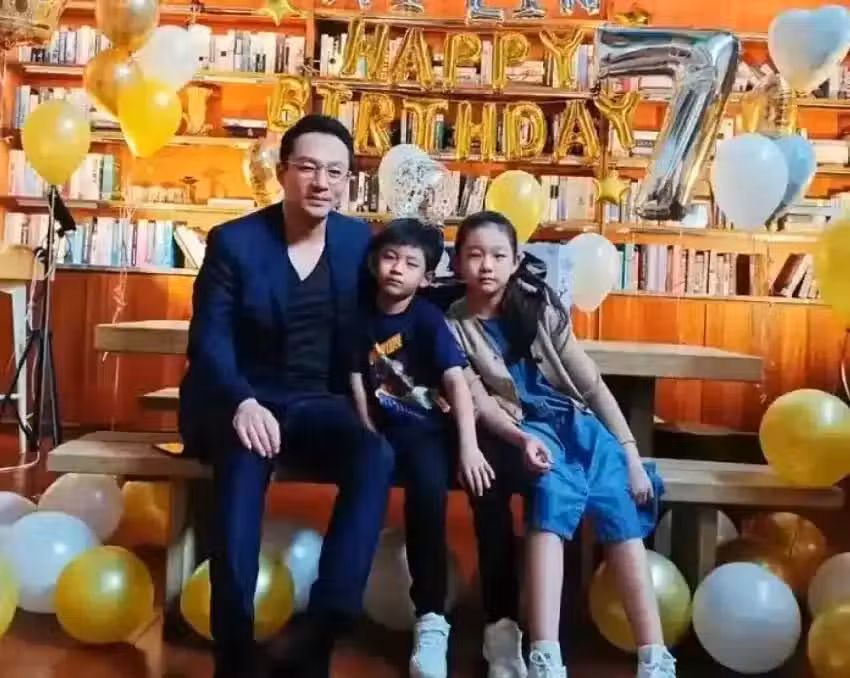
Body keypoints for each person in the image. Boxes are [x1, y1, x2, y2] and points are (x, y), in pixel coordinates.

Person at [178, 114, 395, 678]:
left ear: (347, 181)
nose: (321, 182)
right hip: (244, 397)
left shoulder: (355, 240)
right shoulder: (235, 242)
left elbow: (400, 301)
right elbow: (209, 339)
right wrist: (241, 403)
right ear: (282, 173)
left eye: (335, 172)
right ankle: (234, 648)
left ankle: (323, 627)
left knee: (375, 454)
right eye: (308, 168)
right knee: (242, 465)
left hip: (318, 402)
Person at [446, 211, 676, 678]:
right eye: (475, 255)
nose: (486, 266)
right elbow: (480, 402)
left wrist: (631, 455)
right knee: (550, 495)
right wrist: (522, 439)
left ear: (515, 262)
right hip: (527, 428)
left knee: (620, 503)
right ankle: (545, 655)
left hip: (578, 425)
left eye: (498, 255)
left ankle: (654, 657)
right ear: (458, 262)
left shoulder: (541, 308)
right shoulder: (454, 323)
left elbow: (592, 387)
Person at [349, 218, 494, 678]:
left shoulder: (428, 319)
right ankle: (340, 605)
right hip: (381, 434)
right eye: (390, 257)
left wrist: (469, 448)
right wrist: (367, 429)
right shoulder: (357, 316)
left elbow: (457, 381)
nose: (397, 269)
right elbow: (356, 379)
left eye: (411, 264)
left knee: (427, 500)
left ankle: (431, 619)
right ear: (374, 262)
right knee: (360, 495)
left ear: (427, 278)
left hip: (427, 433)